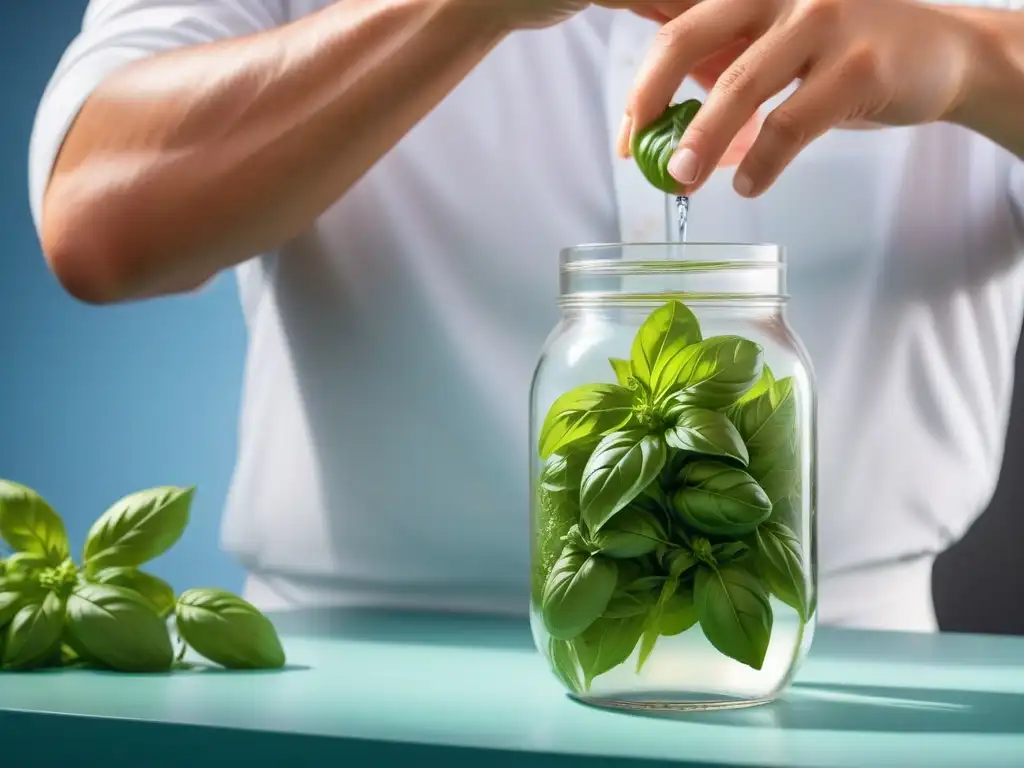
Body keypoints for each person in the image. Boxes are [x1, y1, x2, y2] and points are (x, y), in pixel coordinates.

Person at [28, 0, 1024, 632]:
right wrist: (454, 12)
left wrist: (977, 57)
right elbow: (98, 222)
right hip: (351, 674)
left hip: (842, 661)